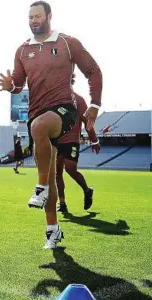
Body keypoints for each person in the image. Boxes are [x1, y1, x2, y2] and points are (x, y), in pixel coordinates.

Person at [0, 1, 102, 249]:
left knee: (39, 130)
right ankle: (52, 230)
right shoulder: (22, 50)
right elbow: (19, 84)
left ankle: (40, 186)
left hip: (65, 110)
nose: (33, 20)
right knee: (52, 175)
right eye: (30, 17)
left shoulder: (68, 43)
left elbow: (94, 70)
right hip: (37, 114)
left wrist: (95, 105)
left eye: (37, 16)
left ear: (48, 16)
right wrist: (9, 86)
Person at [56, 74, 100, 213]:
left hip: (72, 141)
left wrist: (94, 140)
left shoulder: (79, 100)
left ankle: (87, 191)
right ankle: (62, 203)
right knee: (57, 173)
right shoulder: (54, 101)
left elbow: (88, 122)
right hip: (57, 141)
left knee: (70, 169)